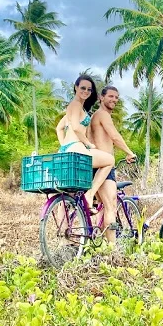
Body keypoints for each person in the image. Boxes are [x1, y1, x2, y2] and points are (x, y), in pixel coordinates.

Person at [56, 74, 115, 211]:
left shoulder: (74, 107)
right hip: (77, 148)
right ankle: (90, 194)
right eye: (83, 88)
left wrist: (63, 145)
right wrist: (88, 143)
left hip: (67, 149)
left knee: (67, 195)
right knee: (109, 160)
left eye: (89, 89)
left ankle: (64, 229)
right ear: (76, 87)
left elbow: (59, 128)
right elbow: (76, 127)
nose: (86, 91)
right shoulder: (75, 105)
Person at [89, 85, 136, 242]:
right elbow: (115, 136)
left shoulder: (95, 116)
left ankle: (98, 241)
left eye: (116, 97)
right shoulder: (102, 114)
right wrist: (129, 152)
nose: (114, 99)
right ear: (101, 98)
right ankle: (112, 249)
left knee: (102, 206)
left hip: (96, 165)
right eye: (110, 96)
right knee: (111, 206)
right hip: (103, 166)